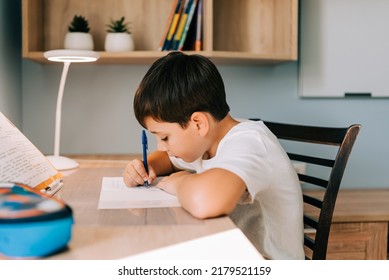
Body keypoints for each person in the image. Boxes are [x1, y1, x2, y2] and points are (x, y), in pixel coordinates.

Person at [123, 51, 304, 260]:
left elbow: (205, 201)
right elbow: (167, 159)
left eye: (164, 137)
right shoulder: (206, 143)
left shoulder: (249, 142)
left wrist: (181, 181)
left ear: (198, 123)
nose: (162, 147)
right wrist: (147, 167)